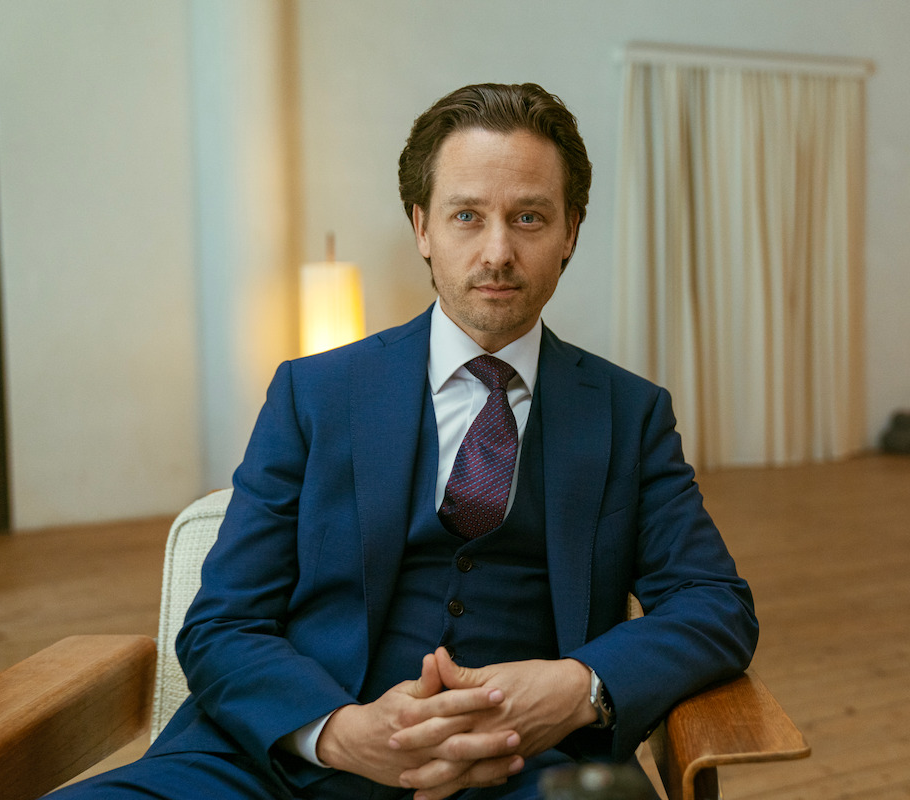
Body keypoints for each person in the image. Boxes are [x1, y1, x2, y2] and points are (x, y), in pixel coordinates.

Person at [52, 82, 758, 800]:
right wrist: (335, 731)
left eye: (529, 217)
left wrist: (576, 689)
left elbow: (715, 603)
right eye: (465, 216)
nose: (498, 251)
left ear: (571, 230)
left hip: (521, 769)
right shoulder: (313, 394)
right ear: (421, 227)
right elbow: (222, 623)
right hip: (268, 768)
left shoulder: (630, 415)